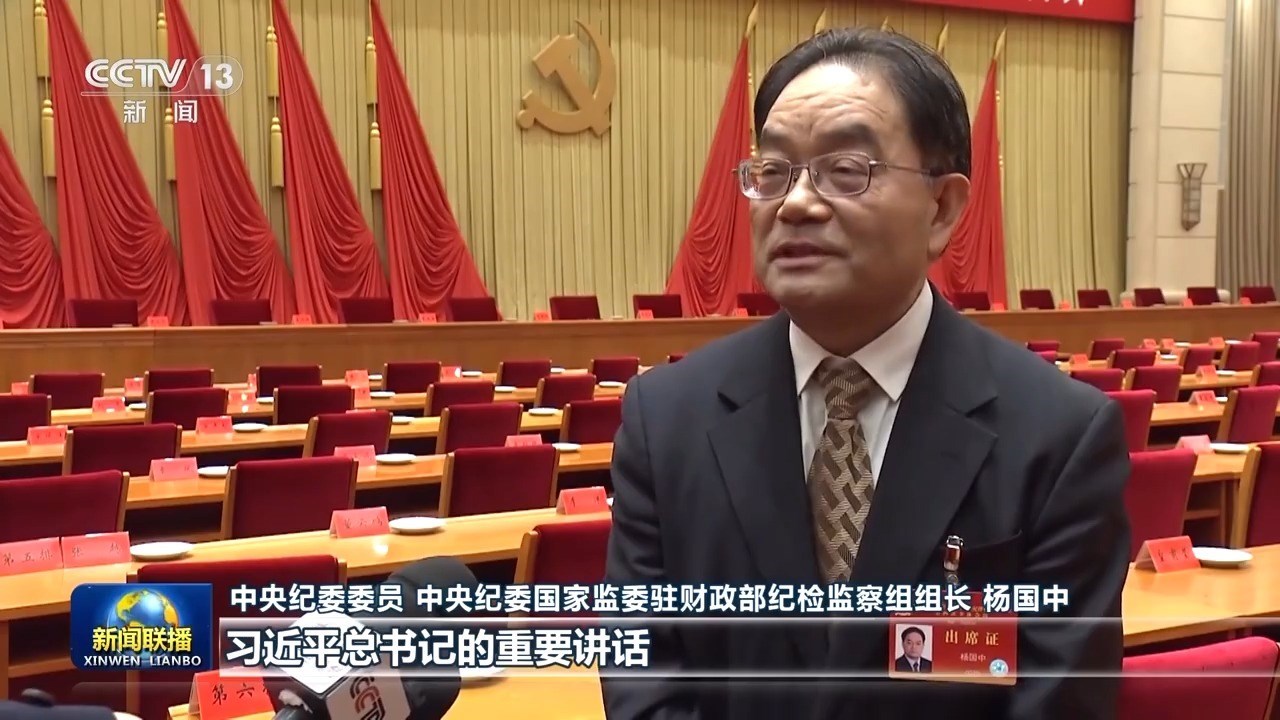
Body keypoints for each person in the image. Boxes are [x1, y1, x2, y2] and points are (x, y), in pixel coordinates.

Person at [603, 26, 1129, 720]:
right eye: (773, 172)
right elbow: (644, 680)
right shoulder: (666, 418)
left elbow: (1059, 700)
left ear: (942, 208)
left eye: (846, 170)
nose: (795, 203)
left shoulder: (1058, 435)